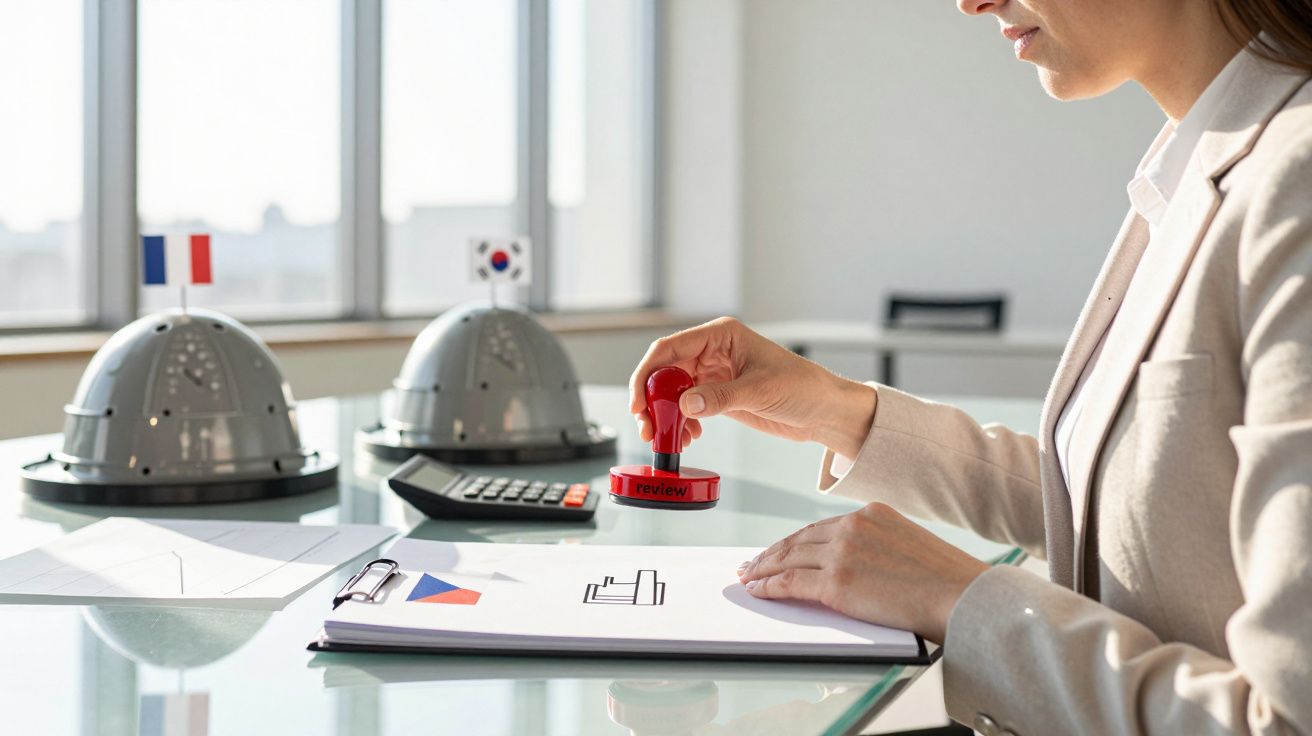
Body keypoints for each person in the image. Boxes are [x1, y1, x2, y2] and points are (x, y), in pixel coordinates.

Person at [628, 1, 1312, 733]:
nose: (971, 0)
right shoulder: (1192, 165)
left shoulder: (1293, 183)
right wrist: (838, 409)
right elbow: (1138, 504)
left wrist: (964, 600)